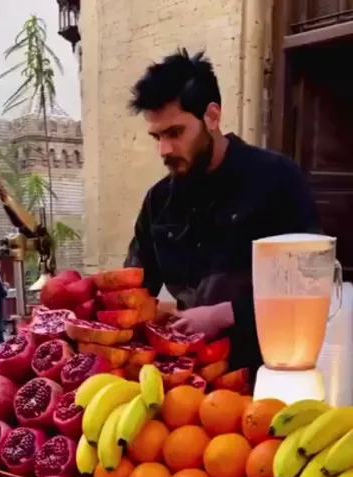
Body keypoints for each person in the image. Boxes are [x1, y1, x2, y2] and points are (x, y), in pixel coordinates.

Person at [125, 49, 321, 377]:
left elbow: (310, 284)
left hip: (266, 375)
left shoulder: (277, 180)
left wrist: (225, 314)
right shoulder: (157, 202)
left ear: (212, 116)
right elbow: (133, 288)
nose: (164, 150)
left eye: (175, 132)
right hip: (183, 379)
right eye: (156, 136)